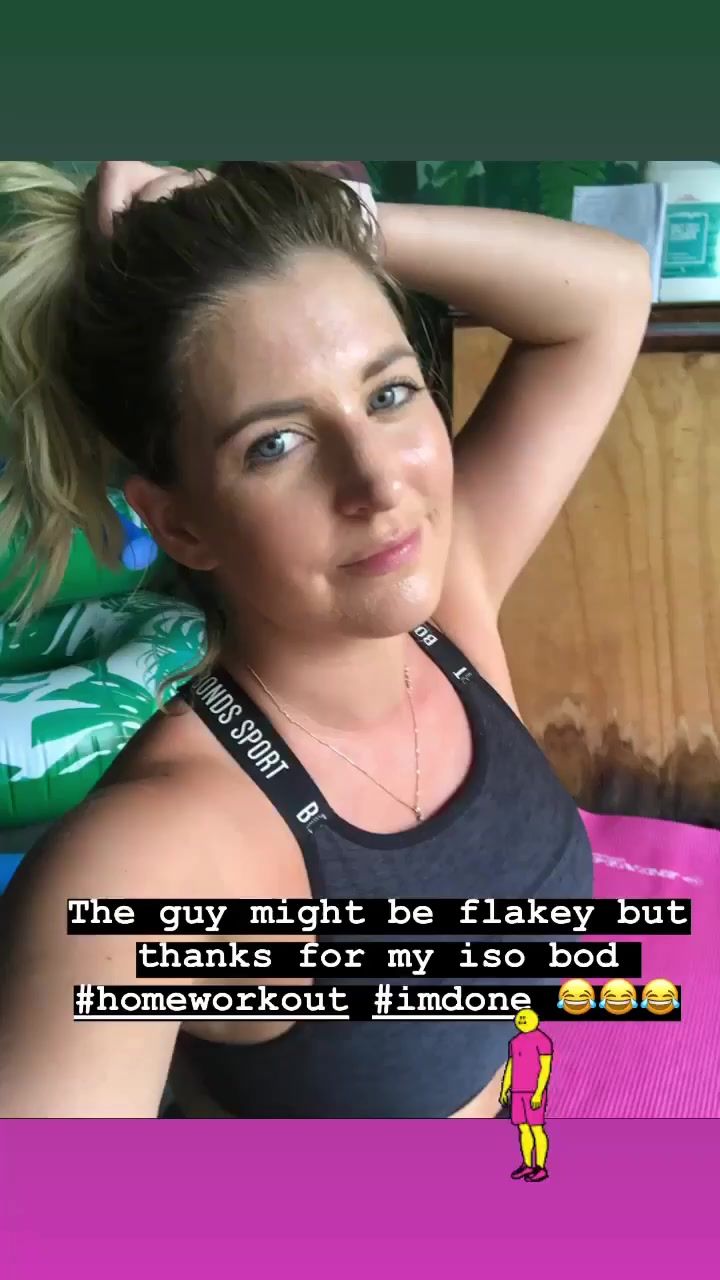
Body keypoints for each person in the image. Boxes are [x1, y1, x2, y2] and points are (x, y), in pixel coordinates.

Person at [0, 160, 652, 1118]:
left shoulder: (447, 609)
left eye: (388, 394)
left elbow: (610, 292)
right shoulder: (150, 861)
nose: (379, 483)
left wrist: (340, 224)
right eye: (276, 443)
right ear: (178, 522)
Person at [500, 1008, 553, 1181]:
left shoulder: (543, 1040)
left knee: (536, 1128)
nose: (522, 1021)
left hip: (532, 1091)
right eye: (520, 1018)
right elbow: (511, 1065)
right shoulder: (515, 1041)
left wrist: (538, 1092)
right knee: (523, 1129)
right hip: (517, 1090)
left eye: (525, 1018)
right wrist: (505, 1088)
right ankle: (527, 1164)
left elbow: (545, 1068)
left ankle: (540, 1167)